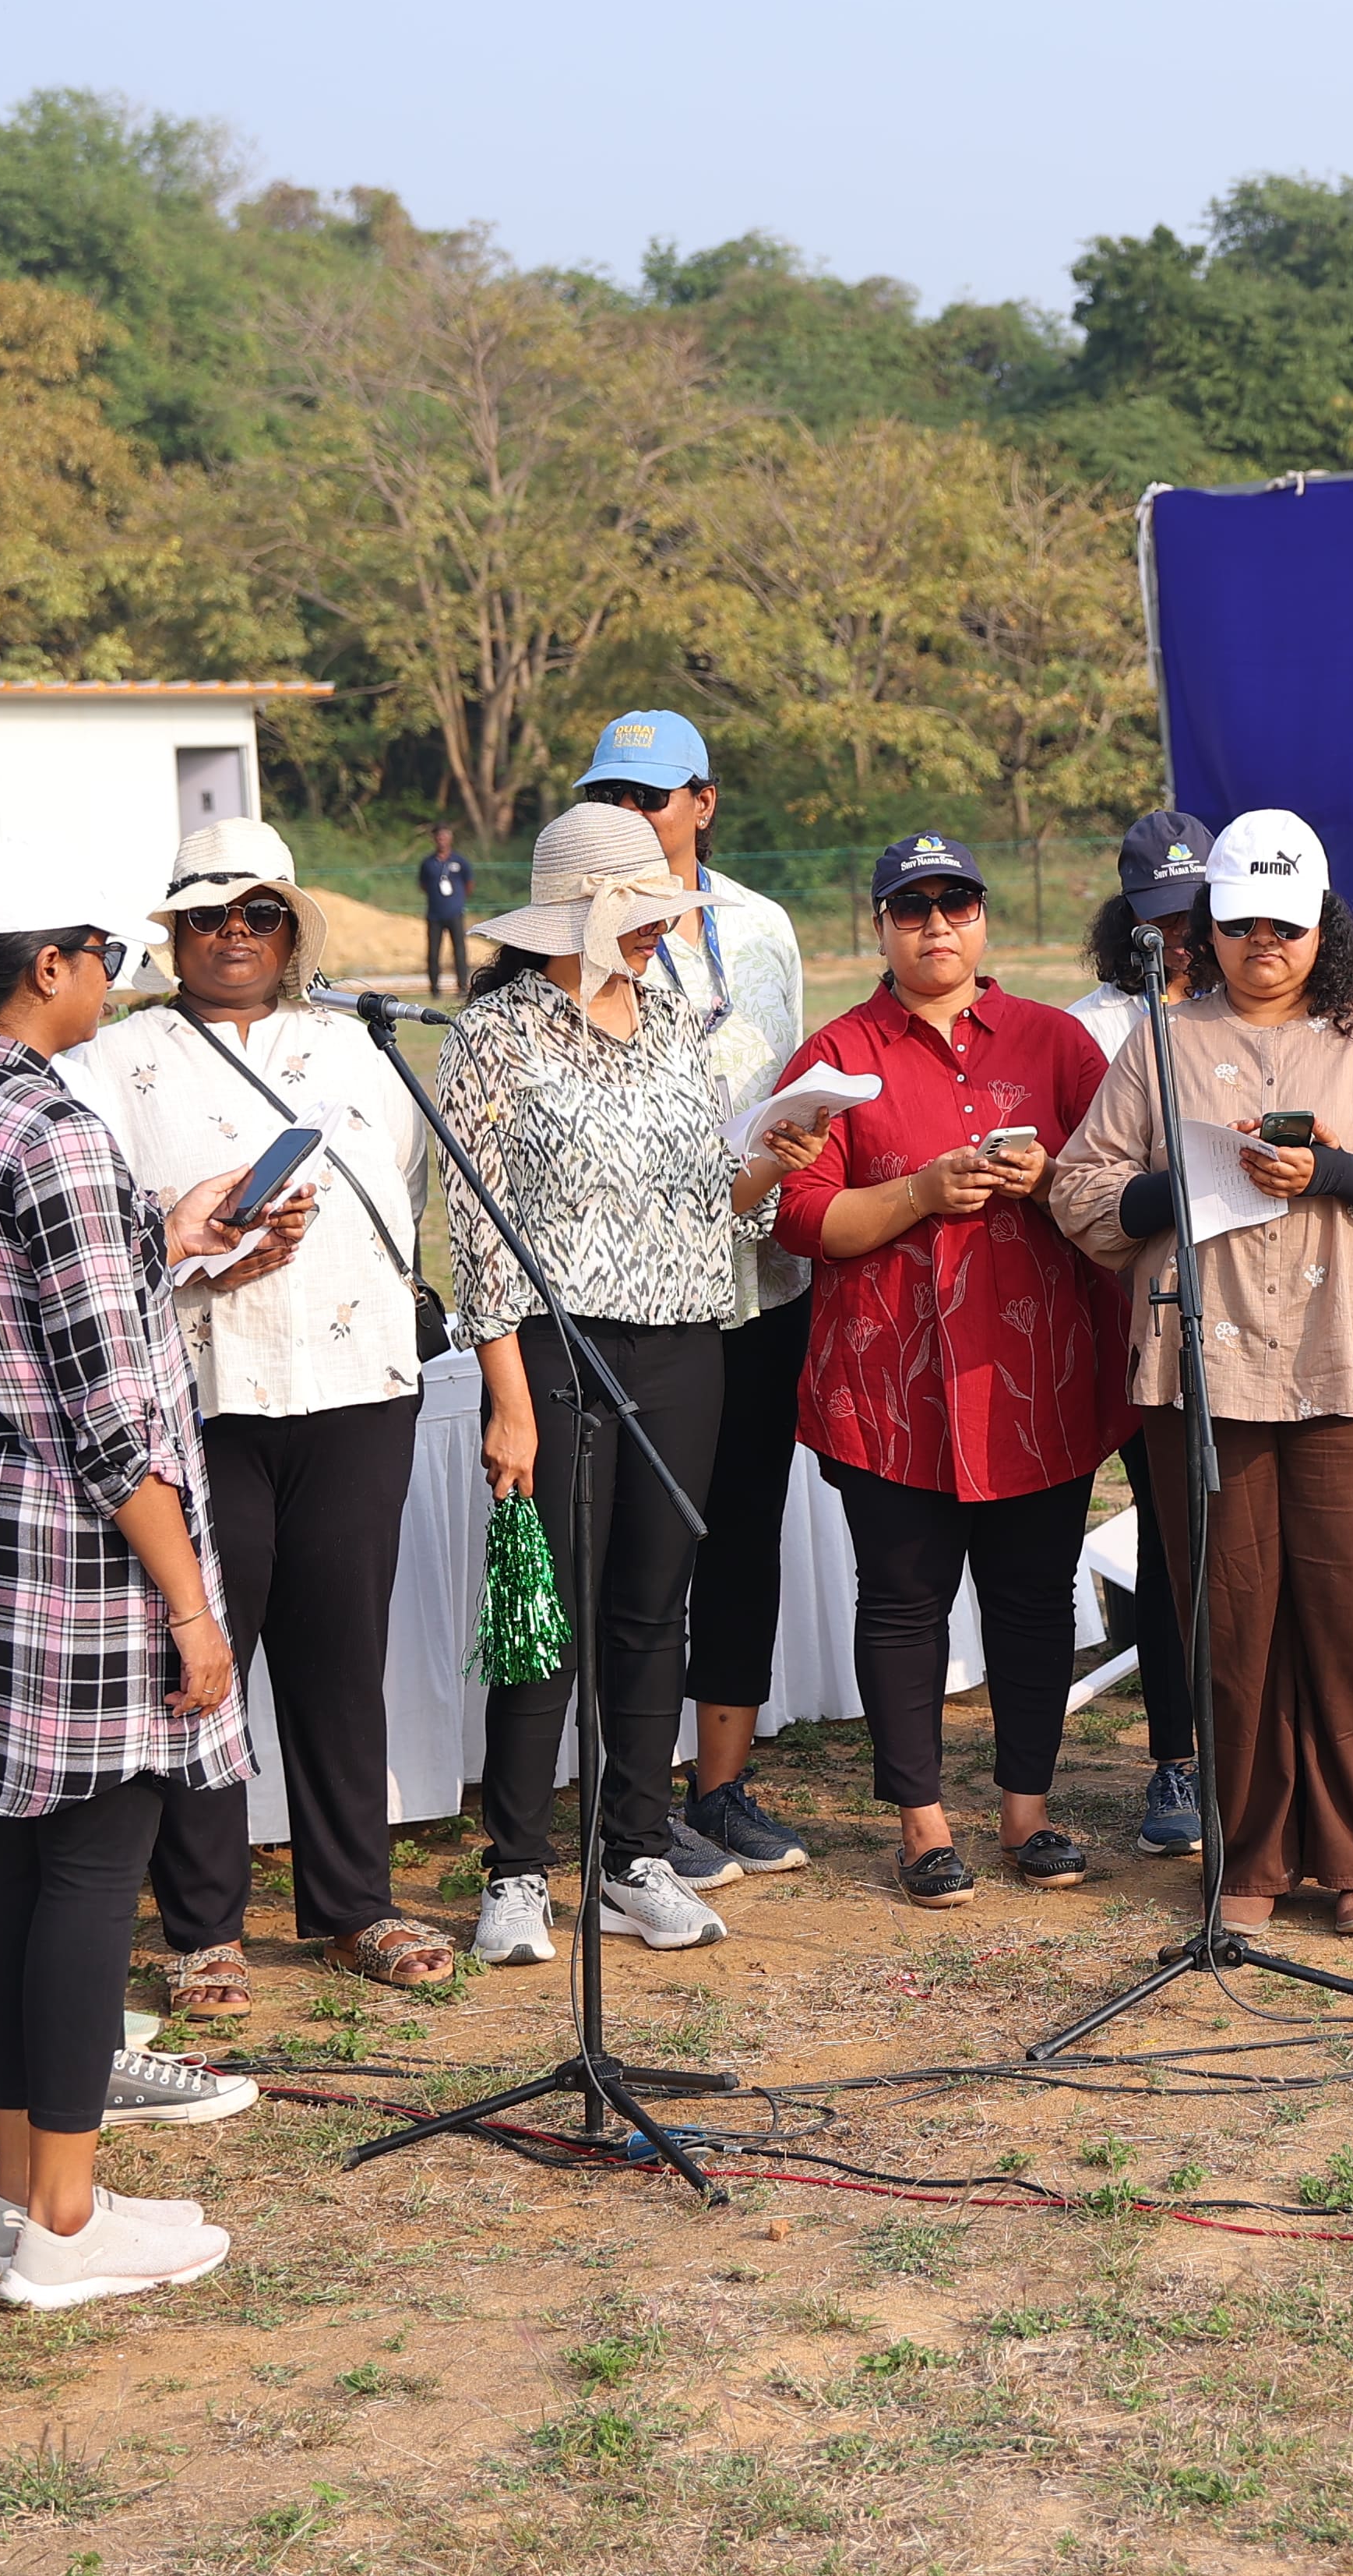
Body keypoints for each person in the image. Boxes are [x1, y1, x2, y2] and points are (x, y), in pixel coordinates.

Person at [0, 842, 263, 2310]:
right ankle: (68, 2223)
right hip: (84, 1546)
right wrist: (191, 1605)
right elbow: (108, 1418)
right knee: (94, 1872)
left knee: (34, 1871)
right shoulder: (53, 1130)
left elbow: (17, 1321)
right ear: (49, 965)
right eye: (106, 950)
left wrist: (162, 1239)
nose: (117, 974)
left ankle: (27, 2200)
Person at [1048, 809, 1353, 1939]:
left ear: (1321, 926)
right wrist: (1186, 1186)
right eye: (1242, 923)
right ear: (1207, 926)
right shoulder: (1163, 1040)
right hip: (1210, 1365)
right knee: (1231, 1616)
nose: (1264, 945)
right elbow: (1081, 1192)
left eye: (1286, 927)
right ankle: (1248, 1851)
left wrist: (1335, 1171)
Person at [438, 804, 832, 1964]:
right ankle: (516, 1871)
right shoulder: (494, 1035)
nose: (663, 927)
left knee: (655, 1610)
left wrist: (772, 1163)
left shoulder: (667, 1021)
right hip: (558, 1353)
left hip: (684, 1347)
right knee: (546, 1614)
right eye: (642, 910)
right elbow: (478, 1234)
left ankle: (634, 1856)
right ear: (577, 915)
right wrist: (509, 1398)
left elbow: (706, 1198)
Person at [67, 818, 440, 2019]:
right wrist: (201, 1253)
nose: (235, 933)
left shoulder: (357, 1044)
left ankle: (354, 1902)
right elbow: (94, 1230)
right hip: (201, 1396)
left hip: (356, 1387)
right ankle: (204, 1926)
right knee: (203, 1661)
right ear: (173, 933)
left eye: (259, 913)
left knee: (343, 1655)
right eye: (209, 915)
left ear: (291, 929)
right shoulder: (115, 1060)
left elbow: (404, 1186)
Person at [772, 833, 1132, 1904]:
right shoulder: (836, 1059)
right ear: (880, 926)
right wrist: (920, 1194)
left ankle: (1029, 1811)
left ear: (983, 919)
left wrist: (1050, 1177)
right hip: (888, 1389)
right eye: (912, 908)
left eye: (956, 904)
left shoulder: (1056, 1042)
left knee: (1034, 1596)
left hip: (1035, 1379)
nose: (936, 925)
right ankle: (921, 1823)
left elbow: (1116, 1190)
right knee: (902, 1599)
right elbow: (802, 1220)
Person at [576, 710, 819, 1880]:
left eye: (651, 796)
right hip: (642, 1294)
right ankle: (633, 1795)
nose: (631, 816)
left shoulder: (764, 926)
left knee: (741, 1535)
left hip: (760, 1283)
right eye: (610, 798)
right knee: (641, 1553)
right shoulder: (581, 933)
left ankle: (721, 1787)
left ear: (703, 803)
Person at [1070, 809, 1219, 1858]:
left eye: (1195, 913)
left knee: (1218, 1535)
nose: (1180, 936)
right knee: (1167, 1537)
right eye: (1160, 917)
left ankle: (1246, 1749)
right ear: (1127, 916)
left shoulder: (1241, 1012)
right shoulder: (1088, 1029)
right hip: (1116, 1318)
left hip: (1231, 1315)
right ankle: (1174, 1758)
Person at [414, 820, 472, 994]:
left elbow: (469, 884)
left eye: (444, 836)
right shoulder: (428, 863)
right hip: (435, 915)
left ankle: (462, 986)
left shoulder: (460, 862)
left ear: (450, 838)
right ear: (434, 839)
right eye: (439, 837)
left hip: (455, 913)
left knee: (459, 951)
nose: (442, 840)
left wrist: (458, 900)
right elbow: (423, 885)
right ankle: (434, 988)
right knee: (433, 952)